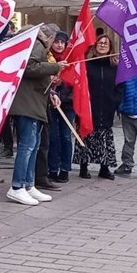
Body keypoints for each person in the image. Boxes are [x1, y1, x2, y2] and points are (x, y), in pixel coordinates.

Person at [7, 24, 66, 206]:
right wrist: (54, 67)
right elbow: (30, 68)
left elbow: (37, 76)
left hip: (33, 103)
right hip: (27, 104)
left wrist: (51, 94)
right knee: (27, 146)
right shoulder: (37, 44)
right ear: (49, 37)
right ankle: (17, 186)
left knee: (33, 145)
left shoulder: (35, 43)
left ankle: (28, 184)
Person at [75, 35, 120, 179]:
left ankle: (104, 168)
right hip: (89, 107)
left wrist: (115, 101)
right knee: (86, 135)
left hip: (107, 107)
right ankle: (83, 166)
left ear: (110, 47)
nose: (103, 45)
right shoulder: (87, 64)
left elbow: (120, 87)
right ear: (95, 46)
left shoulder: (114, 67)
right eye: (100, 42)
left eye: (106, 43)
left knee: (105, 138)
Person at [46, 31, 76, 184]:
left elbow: (75, 82)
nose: (59, 45)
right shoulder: (47, 58)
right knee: (53, 137)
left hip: (67, 103)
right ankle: (52, 168)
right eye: (56, 42)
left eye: (62, 42)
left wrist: (62, 82)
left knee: (65, 136)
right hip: (50, 104)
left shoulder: (70, 59)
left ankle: (65, 168)